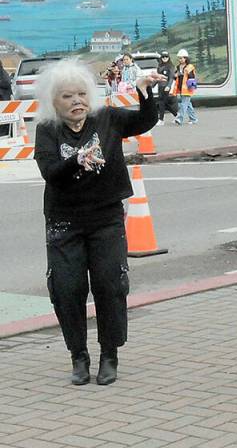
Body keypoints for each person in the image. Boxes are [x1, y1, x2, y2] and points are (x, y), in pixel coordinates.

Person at [33, 59, 165, 386]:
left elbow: (144, 121)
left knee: (110, 285)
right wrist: (76, 160)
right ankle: (78, 356)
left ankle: (109, 354)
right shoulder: (47, 131)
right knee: (66, 289)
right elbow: (50, 172)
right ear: (54, 101)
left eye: (81, 94)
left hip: (106, 217)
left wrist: (144, 92)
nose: (77, 101)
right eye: (67, 96)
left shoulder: (106, 119)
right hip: (64, 222)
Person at [173, 49, 199, 125]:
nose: (180, 59)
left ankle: (179, 118)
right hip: (181, 88)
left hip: (188, 89)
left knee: (183, 104)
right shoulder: (178, 67)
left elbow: (192, 77)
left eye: (182, 58)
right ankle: (193, 119)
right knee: (188, 104)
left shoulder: (189, 67)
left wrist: (187, 73)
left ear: (186, 58)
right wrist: (175, 76)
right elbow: (175, 77)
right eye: (179, 58)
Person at [155, 51, 176, 126]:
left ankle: (161, 119)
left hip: (166, 87)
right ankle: (177, 115)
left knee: (161, 103)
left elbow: (171, 77)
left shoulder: (171, 66)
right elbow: (157, 77)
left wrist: (168, 86)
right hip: (160, 86)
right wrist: (152, 85)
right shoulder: (159, 66)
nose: (164, 58)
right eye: (163, 56)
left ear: (168, 57)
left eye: (166, 56)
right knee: (164, 103)